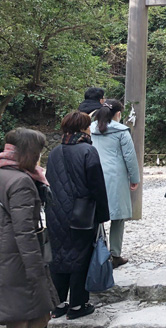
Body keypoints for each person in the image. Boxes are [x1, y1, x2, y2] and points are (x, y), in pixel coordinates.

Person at [46, 111, 110, 320]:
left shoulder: (55, 152)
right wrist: (102, 214)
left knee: (59, 255)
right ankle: (77, 305)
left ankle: (58, 304)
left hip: (55, 212)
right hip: (82, 212)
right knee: (81, 256)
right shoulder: (88, 151)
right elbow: (97, 186)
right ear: (84, 128)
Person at [0, 128, 59, 328]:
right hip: (20, 260)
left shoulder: (4, 173)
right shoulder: (21, 181)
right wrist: (37, 271)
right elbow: (24, 231)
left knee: (16, 313)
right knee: (32, 316)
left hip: (6, 257)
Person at [90, 100, 140, 268]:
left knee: (96, 214)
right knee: (118, 216)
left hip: (93, 173)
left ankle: (97, 251)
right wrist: (135, 178)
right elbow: (130, 157)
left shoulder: (90, 129)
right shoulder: (121, 131)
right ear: (118, 114)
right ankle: (115, 254)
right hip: (115, 175)